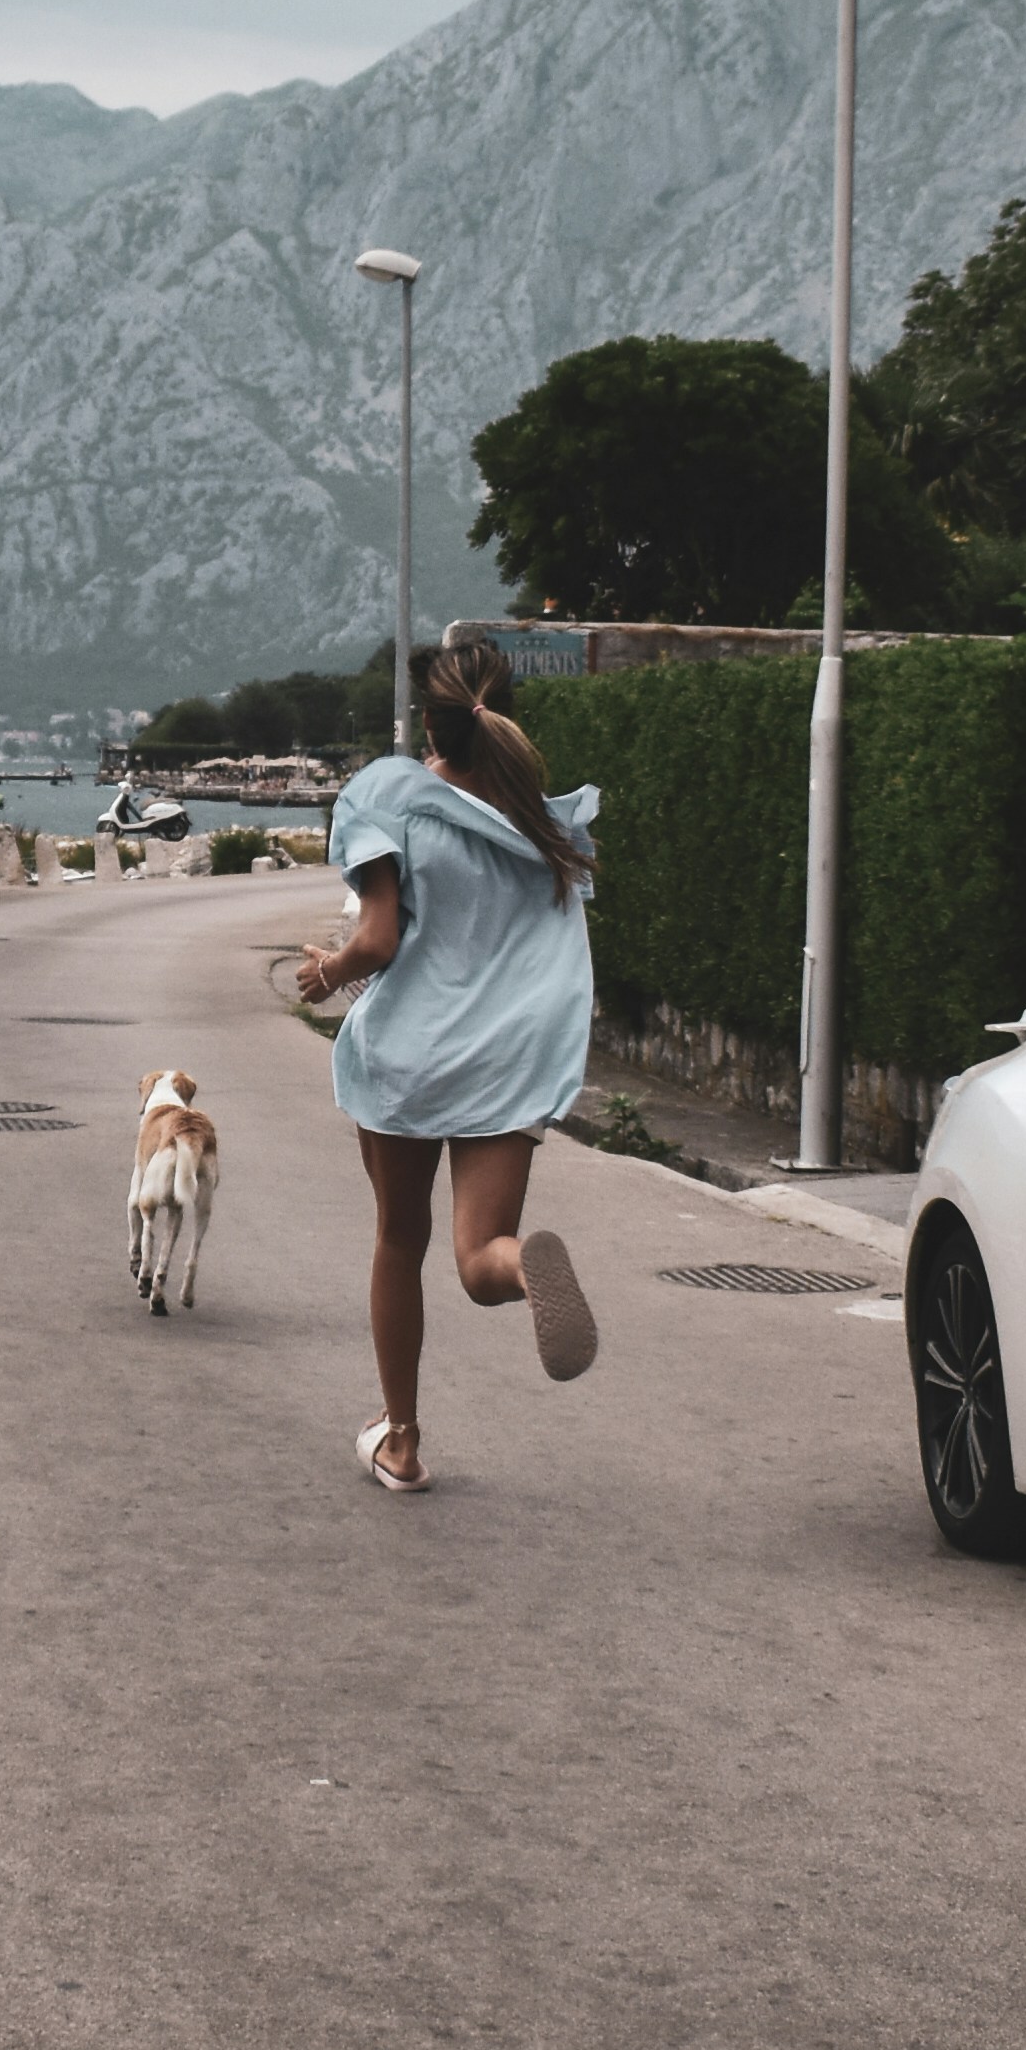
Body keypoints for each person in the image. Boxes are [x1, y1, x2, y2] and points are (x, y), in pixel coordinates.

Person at [296, 636, 603, 1494]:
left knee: (400, 1240)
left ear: (425, 721)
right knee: (477, 1256)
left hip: (409, 1061)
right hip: (504, 1066)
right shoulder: (543, 824)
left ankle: (401, 1441)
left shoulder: (391, 797)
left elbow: (380, 938)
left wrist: (326, 972)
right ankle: (519, 1265)